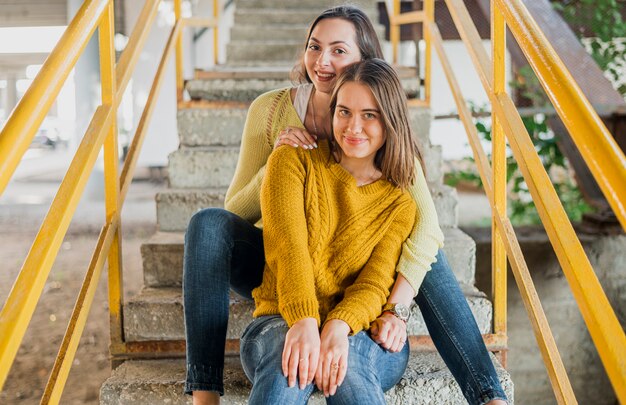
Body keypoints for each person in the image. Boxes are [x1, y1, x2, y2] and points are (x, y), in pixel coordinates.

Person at [183, 5, 508, 405]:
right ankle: (202, 390)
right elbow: (242, 212)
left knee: (427, 253)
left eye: (339, 51)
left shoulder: (388, 157)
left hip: (355, 285)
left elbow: (424, 229)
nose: (323, 62)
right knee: (208, 224)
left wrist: (394, 312)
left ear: (366, 64)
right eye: (314, 48)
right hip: (278, 260)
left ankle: (488, 393)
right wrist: (277, 162)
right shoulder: (270, 114)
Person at [241, 58, 416, 404]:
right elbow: (286, 246)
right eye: (344, 112)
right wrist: (304, 320)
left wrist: (338, 326)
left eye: (370, 115)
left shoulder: (400, 203)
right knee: (287, 365)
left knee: (348, 366)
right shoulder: (292, 159)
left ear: (391, 121)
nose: (353, 126)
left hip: (361, 329)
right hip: (279, 318)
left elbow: (376, 282)